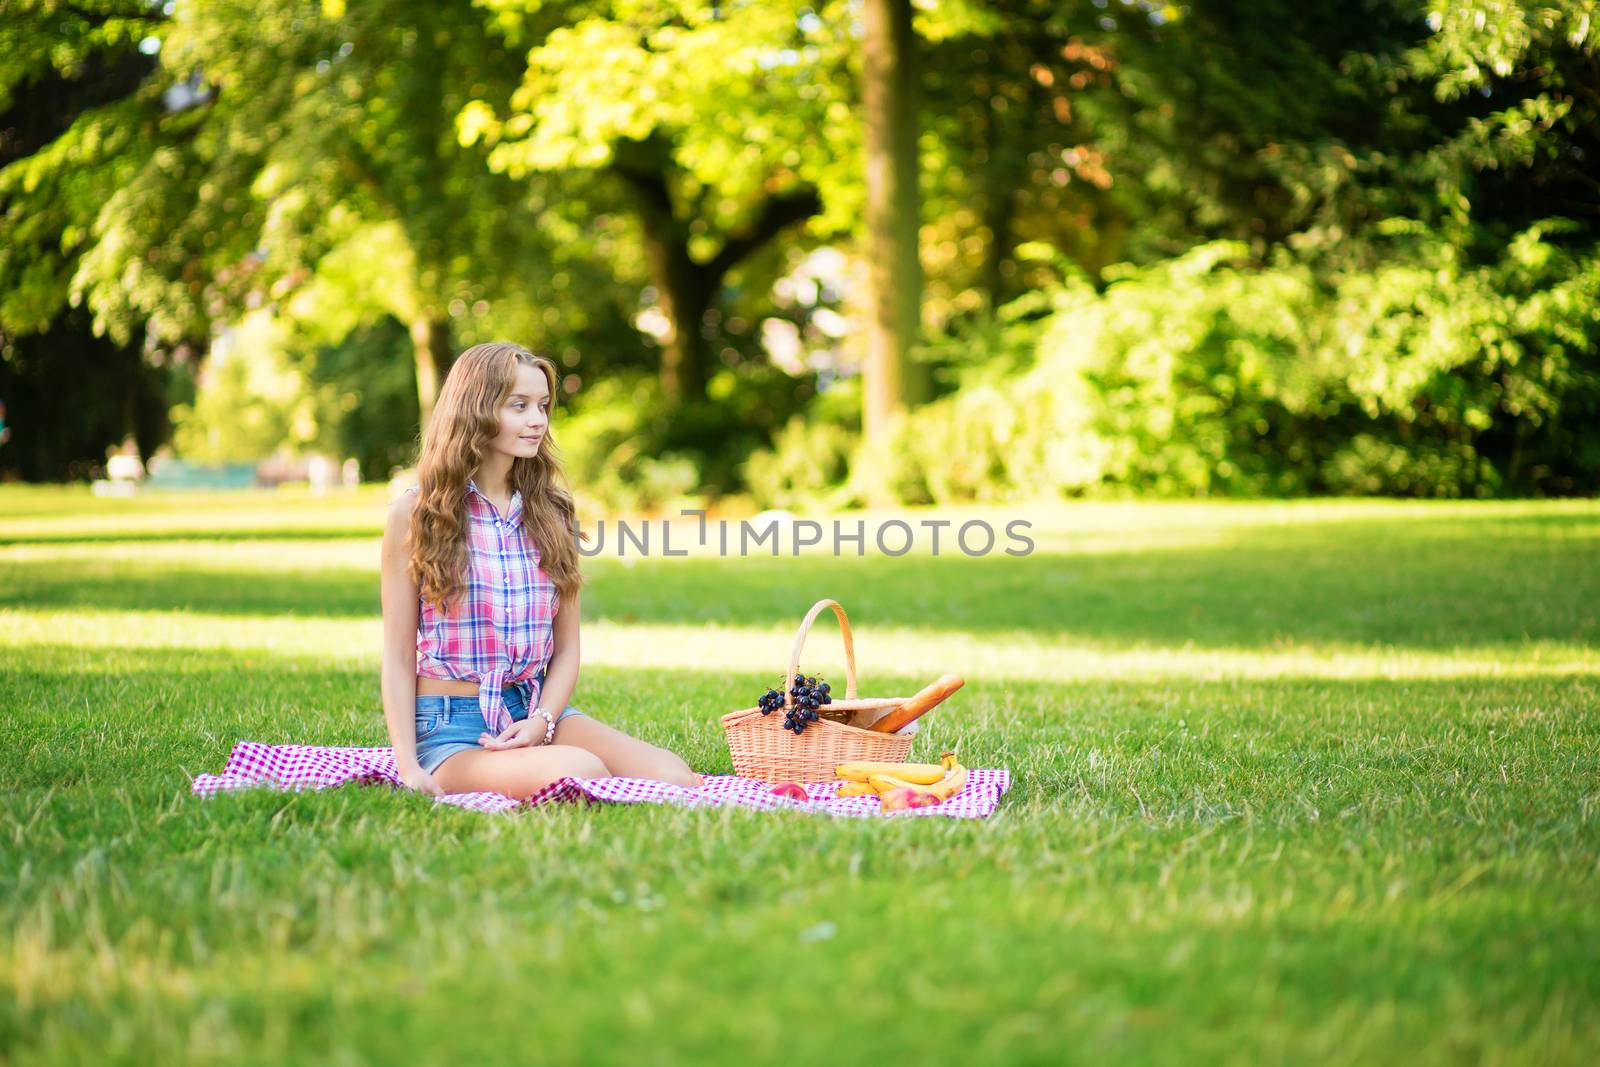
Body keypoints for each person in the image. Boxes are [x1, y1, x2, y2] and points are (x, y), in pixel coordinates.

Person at [380, 342, 703, 798]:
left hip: (532, 709)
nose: (538, 420)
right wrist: (409, 766)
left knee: (673, 776)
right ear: (475, 408)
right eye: (519, 406)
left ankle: (536, 752)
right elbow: (396, 655)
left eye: (543, 406)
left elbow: (567, 649)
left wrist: (543, 720)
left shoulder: (553, 513)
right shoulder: (416, 513)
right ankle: (505, 764)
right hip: (451, 726)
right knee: (583, 772)